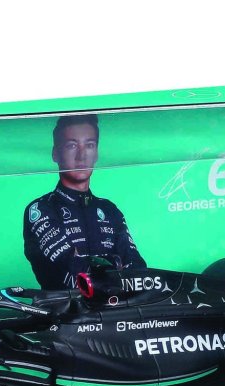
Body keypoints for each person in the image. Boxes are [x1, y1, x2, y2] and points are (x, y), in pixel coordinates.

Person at [23, 114, 145, 290]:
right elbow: (70, 268)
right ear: (55, 153)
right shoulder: (41, 209)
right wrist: (116, 266)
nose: (81, 156)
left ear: (96, 153)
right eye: (72, 145)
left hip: (116, 305)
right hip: (65, 307)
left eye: (89, 145)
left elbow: (137, 268)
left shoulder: (109, 209)